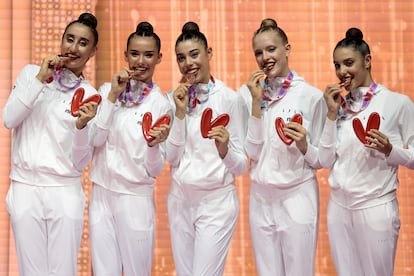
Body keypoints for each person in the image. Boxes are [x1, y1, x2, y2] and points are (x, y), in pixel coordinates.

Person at [2, 12, 99, 275]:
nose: (73, 48)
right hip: (24, 187)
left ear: (92, 51)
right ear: (61, 40)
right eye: (69, 39)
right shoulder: (31, 73)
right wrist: (38, 81)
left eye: (82, 43)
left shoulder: (90, 96)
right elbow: (9, 119)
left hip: (63, 191)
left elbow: (81, 162)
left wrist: (80, 128)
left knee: (62, 270)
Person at [320, 27, 414, 276]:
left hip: (376, 208)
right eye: (337, 66)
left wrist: (391, 150)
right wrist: (330, 115)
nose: (342, 72)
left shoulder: (397, 103)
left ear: (368, 61)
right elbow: (325, 159)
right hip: (339, 209)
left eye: (348, 63)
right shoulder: (336, 106)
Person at [80, 22, 172, 276]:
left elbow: (154, 170)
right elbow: (95, 139)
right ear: (125, 55)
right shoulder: (107, 91)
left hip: (135, 199)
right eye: (134, 54)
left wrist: (153, 145)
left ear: (159, 58)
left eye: (148, 55)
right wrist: (111, 98)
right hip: (101, 196)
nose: (140, 61)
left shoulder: (161, 105)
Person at [237, 18, 326, 276]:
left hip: (297, 196)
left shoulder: (310, 96)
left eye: (271, 49)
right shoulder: (247, 95)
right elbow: (251, 153)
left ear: (287, 48)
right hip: (261, 198)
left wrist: (304, 144)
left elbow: (322, 160)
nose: (265, 57)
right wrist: (255, 104)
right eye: (258, 52)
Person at [165, 21, 248, 276]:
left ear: (209, 53)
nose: (188, 63)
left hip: (216, 203)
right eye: (181, 58)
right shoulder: (172, 99)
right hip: (180, 201)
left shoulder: (230, 99)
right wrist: (179, 113)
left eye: (194, 54)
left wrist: (224, 149)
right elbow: (171, 157)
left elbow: (242, 165)